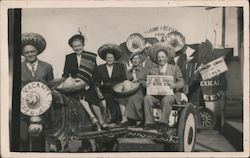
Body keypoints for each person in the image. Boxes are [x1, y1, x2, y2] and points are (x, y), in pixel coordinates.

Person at [62, 33, 108, 130]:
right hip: (75, 86)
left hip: (88, 84)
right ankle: (93, 118)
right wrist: (71, 81)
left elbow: (96, 74)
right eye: (75, 46)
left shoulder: (90, 57)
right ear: (72, 47)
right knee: (79, 94)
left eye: (79, 45)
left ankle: (101, 121)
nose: (77, 48)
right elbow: (65, 74)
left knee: (90, 94)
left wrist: (87, 83)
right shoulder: (69, 57)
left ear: (83, 45)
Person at [21, 33, 54, 151]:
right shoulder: (18, 67)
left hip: (42, 111)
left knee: (38, 142)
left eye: (32, 51)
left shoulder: (47, 67)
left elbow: (51, 86)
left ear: (37, 52)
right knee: (22, 140)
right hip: (23, 111)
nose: (30, 54)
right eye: (27, 52)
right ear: (23, 54)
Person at [143, 42, 184, 132]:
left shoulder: (174, 68)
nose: (161, 59)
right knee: (147, 98)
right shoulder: (153, 70)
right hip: (157, 95)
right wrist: (147, 84)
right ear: (157, 59)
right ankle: (149, 123)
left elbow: (181, 81)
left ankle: (163, 123)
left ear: (166, 58)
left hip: (171, 94)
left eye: (162, 57)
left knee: (167, 99)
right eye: (159, 57)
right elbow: (147, 81)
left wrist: (175, 85)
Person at [93, 44, 127, 125]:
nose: (109, 59)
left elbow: (124, 79)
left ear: (114, 58)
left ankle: (122, 119)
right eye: (108, 58)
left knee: (119, 98)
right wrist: (98, 92)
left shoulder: (120, 66)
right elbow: (96, 82)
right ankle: (112, 120)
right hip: (106, 90)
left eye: (111, 58)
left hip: (118, 90)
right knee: (108, 98)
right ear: (105, 58)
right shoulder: (100, 68)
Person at [121, 53, 148, 127]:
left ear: (140, 60)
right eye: (133, 59)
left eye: (137, 59)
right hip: (129, 90)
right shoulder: (128, 71)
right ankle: (125, 118)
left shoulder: (145, 70)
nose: (135, 60)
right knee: (121, 97)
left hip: (141, 90)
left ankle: (138, 119)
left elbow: (148, 84)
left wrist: (139, 81)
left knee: (134, 98)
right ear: (131, 61)